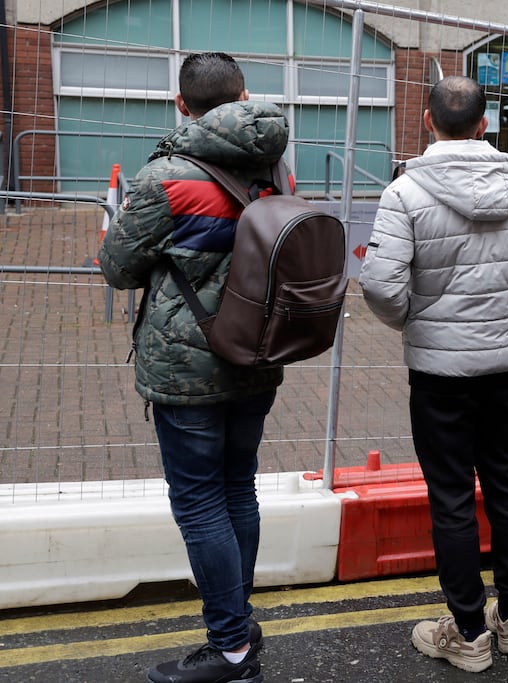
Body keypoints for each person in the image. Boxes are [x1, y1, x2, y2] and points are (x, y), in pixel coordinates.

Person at [98, 52, 287, 683]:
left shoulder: (166, 178)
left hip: (187, 366)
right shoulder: (275, 170)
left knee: (202, 502)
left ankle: (231, 648)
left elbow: (118, 268)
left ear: (183, 105)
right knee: (239, 489)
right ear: (241, 96)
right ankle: (239, 619)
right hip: (258, 352)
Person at [358, 75, 508, 673]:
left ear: (426, 120)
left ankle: (469, 631)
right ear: (485, 124)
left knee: (451, 498)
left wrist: (421, 321)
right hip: (505, 365)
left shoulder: (405, 192)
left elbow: (381, 287)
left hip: (439, 372)